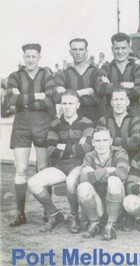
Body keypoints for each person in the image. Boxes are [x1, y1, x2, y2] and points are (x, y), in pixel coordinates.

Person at [28, 90, 94, 232]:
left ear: (78, 105)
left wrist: (63, 146)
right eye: (64, 103)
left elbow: (87, 148)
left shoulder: (87, 123)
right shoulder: (55, 124)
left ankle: (74, 216)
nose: (67, 106)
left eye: (71, 103)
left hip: (79, 165)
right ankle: (55, 214)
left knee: (71, 181)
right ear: (61, 104)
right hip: (61, 166)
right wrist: (76, 147)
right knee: (33, 183)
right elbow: (51, 149)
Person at [6, 43, 55, 227]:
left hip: (42, 122)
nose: (31, 59)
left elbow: (50, 99)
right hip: (21, 123)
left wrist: (24, 99)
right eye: (28, 56)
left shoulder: (47, 74)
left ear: (39, 57)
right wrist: (38, 95)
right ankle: (20, 213)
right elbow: (11, 99)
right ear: (23, 57)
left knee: (43, 168)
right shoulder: (15, 76)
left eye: (34, 56)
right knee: (21, 169)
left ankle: (48, 210)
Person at [77, 127, 130, 240]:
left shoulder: (119, 152)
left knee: (114, 181)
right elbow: (81, 179)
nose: (101, 144)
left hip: (117, 204)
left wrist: (94, 174)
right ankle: (95, 222)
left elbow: (122, 174)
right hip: (98, 204)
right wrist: (108, 170)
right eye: (98, 141)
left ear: (110, 141)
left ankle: (112, 224)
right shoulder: (89, 156)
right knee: (83, 187)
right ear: (93, 143)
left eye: (105, 140)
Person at [96, 33, 140, 116]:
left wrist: (110, 85)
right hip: (111, 116)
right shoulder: (106, 68)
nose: (120, 52)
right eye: (117, 48)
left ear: (129, 48)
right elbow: (99, 87)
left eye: (123, 48)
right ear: (112, 49)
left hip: (133, 115)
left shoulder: (137, 68)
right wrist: (124, 85)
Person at [55, 38, 100, 122]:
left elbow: (98, 97)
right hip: (69, 121)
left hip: (92, 118)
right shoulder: (63, 74)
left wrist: (68, 94)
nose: (78, 53)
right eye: (75, 50)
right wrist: (83, 92)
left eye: (81, 49)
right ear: (70, 52)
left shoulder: (95, 72)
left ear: (86, 51)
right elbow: (58, 97)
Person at [97, 86, 140, 161]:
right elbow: (98, 142)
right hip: (109, 162)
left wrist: (110, 141)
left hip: (131, 162)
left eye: (122, 99)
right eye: (116, 99)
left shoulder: (135, 120)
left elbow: (136, 142)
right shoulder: (103, 121)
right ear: (111, 102)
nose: (119, 103)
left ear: (127, 102)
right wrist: (125, 142)